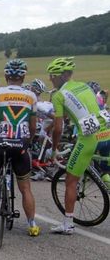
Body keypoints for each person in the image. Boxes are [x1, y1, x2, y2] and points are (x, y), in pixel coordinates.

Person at [0, 59, 40, 236]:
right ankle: (32, 224)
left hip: (2, 143)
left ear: (6, 76)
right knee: (25, 188)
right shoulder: (31, 96)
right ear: (23, 76)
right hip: (21, 144)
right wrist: (29, 140)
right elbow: (33, 126)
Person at [47, 57, 110, 234]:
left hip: (89, 138)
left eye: (52, 76)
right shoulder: (85, 86)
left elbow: (59, 128)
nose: (50, 79)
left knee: (70, 180)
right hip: (107, 132)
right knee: (105, 170)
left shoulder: (59, 95)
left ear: (59, 76)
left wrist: (54, 149)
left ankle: (68, 225)